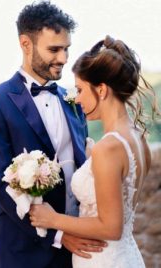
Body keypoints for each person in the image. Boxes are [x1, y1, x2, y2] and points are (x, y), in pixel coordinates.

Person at [0, 1, 106, 268]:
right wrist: (59, 235)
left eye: (66, 49)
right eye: (54, 49)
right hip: (25, 252)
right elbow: (2, 187)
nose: (63, 58)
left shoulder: (74, 100)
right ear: (26, 44)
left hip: (79, 251)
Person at [30, 35, 159, 267]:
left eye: (80, 90)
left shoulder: (108, 147)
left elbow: (111, 227)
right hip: (124, 256)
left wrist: (53, 219)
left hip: (103, 259)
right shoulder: (138, 137)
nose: (77, 99)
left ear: (101, 90)